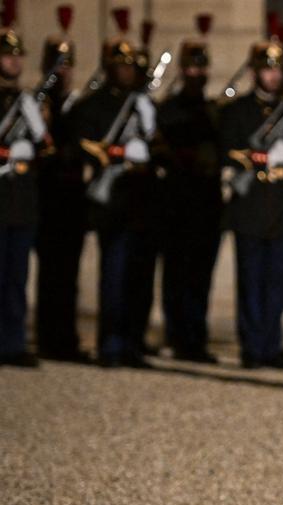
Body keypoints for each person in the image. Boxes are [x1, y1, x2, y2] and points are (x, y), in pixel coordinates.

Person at [219, 36, 283, 370]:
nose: (272, 76)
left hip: (282, 203)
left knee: (278, 280)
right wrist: (259, 156)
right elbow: (228, 149)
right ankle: (252, 347)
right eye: (266, 69)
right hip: (251, 203)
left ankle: (272, 345)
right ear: (255, 72)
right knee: (252, 280)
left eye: (276, 70)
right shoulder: (238, 110)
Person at [73, 31, 157, 368]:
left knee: (141, 280)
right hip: (114, 205)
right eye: (120, 66)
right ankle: (110, 344)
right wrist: (116, 153)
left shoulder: (143, 105)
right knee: (115, 278)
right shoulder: (94, 106)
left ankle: (134, 343)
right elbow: (84, 147)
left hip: (142, 203)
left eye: (130, 66)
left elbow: (155, 145)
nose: (126, 72)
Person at [157, 18, 222, 363]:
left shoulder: (213, 110)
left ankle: (195, 337)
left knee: (201, 276)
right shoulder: (170, 109)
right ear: (182, 70)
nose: (198, 74)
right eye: (192, 68)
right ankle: (177, 335)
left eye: (202, 67)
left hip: (207, 204)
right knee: (177, 275)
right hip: (178, 202)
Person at [34, 6, 89, 363]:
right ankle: (47, 336)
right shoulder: (36, 104)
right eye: (57, 63)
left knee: (69, 274)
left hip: (73, 199)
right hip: (44, 197)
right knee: (49, 273)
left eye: (67, 64)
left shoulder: (77, 105)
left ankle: (65, 338)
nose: (63, 71)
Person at [0, 24, 47, 367]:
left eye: (18, 56)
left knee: (17, 279)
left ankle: (13, 342)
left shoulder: (26, 101)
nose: (14, 63)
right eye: (7, 55)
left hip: (20, 203)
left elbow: (43, 147)